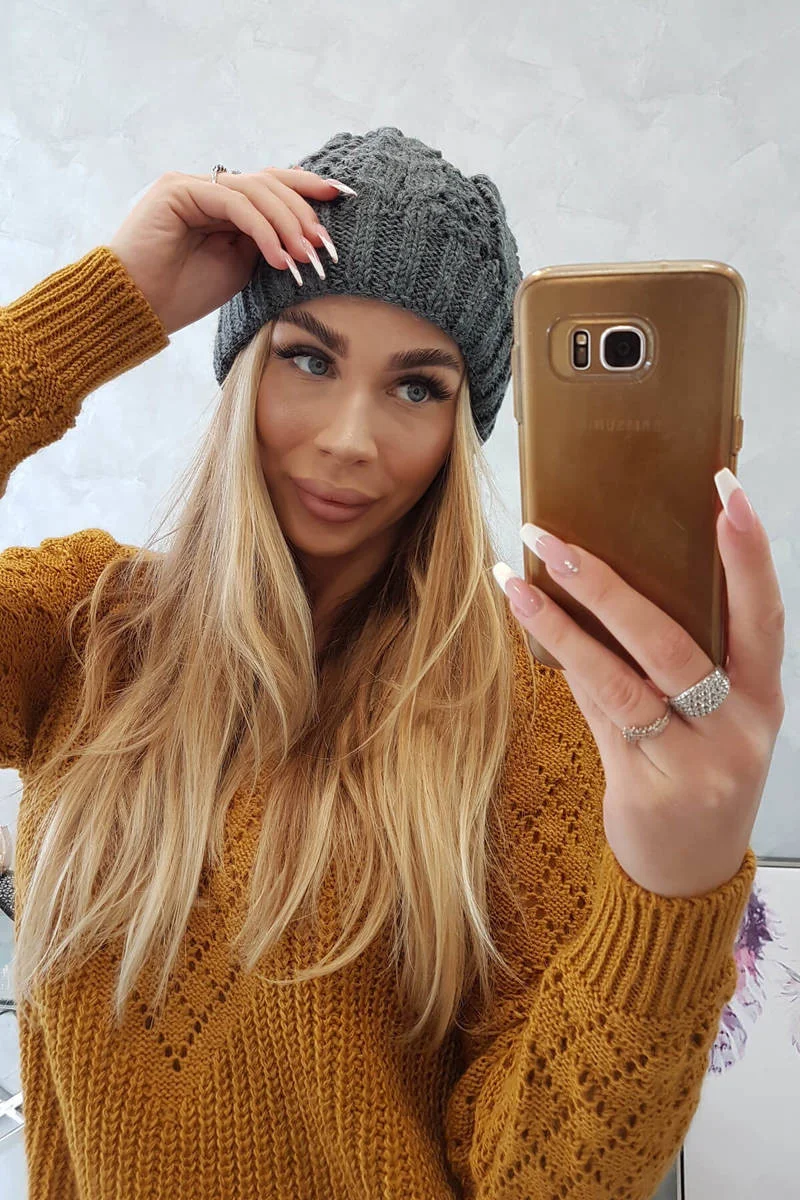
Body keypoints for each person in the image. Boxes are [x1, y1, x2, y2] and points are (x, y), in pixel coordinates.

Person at [0, 127, 778, 1199]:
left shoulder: (536, 712)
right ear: (242, 368)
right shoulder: (86, 625)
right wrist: (100, 309)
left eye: (417, 388)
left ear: (464, 426)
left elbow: (537, 1181)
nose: (349, 439)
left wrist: (673, 888)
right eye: (308, 359)